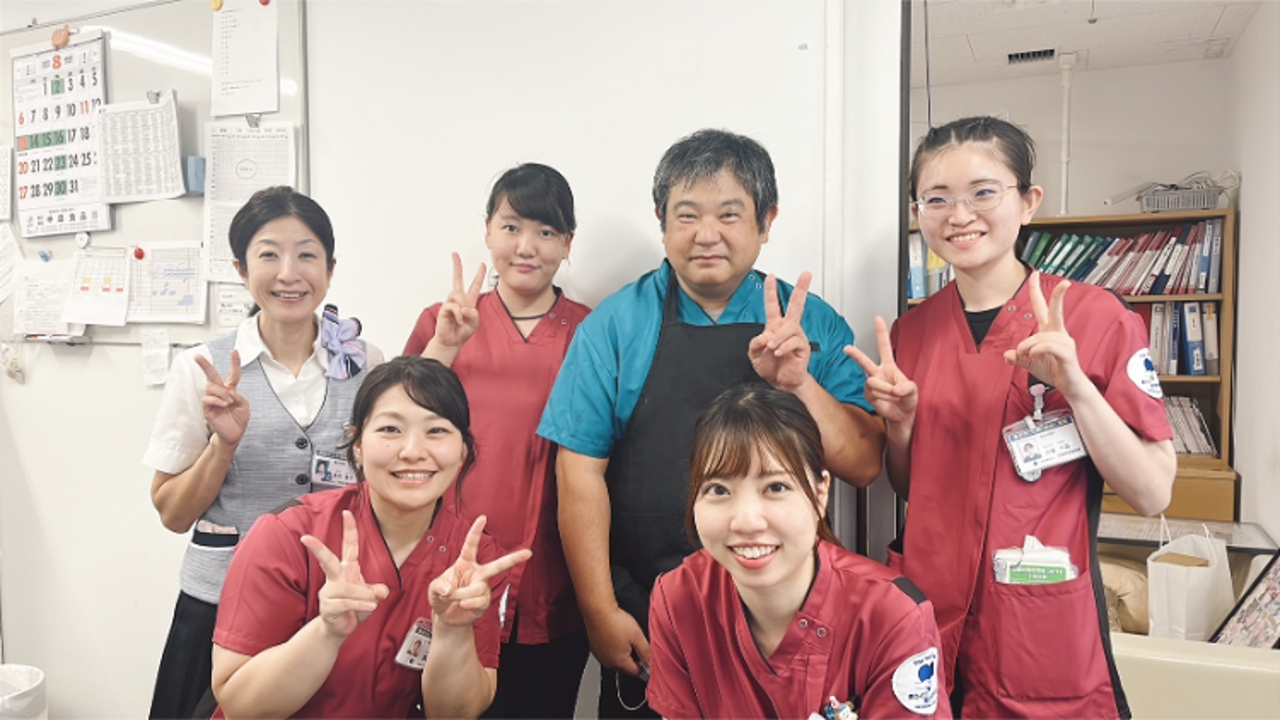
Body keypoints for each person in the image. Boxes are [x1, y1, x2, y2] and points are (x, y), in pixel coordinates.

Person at [538, 128, 885, 717]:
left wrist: (798, 382)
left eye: (729, 214)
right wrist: (599, 610)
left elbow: (863, 465)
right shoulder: (617, 324)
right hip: (648, 610)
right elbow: (578, 475)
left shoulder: (810, 321)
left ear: (765, 220)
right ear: (662, 220)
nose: (706, 235)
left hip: (790, 617)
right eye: (687, 215)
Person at [847, 116, 1175, 718]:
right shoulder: (912, 332)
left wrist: (1076, 387)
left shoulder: (1096, 318)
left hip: (1036, 618)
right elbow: (913, 488)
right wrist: (899, 427)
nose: (959, 214)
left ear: (1028, 202)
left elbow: (1153, 491)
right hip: (928, 614)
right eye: (936, 198)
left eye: (983, 192)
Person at [143, 186, 383, 719]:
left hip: (332, 607)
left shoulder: (367, 363)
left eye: (306, 254)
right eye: (268, 254)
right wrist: (223, 447)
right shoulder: (200, 367)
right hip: (220, 609)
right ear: (240, 267)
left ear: (330, 266)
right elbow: (171, 512)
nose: (288, 273)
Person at [210, 356, 531, 719]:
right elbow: (241, 706)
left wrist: (453, 631)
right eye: (390, 430)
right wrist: (326, 633)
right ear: (358, 446)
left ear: (462, 452)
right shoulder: (290, 534)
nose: (412, 451)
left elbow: (453, 715)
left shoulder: (474, 562)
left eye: (436, 431)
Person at [404, 163, 591, 718]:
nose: (526, 246)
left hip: (553, 577)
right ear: (487, 230)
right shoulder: (444, 322)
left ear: (567, 244)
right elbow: (394, 429)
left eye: (546, 232)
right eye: (511, 227)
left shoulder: (591, 331)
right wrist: (442, 346)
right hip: (445, 567)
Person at [647, 383, 949, 719]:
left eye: (776, 487)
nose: (746, 521)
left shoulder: (894, 616)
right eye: (718, 489)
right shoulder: (678, 599)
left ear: (820, 494)